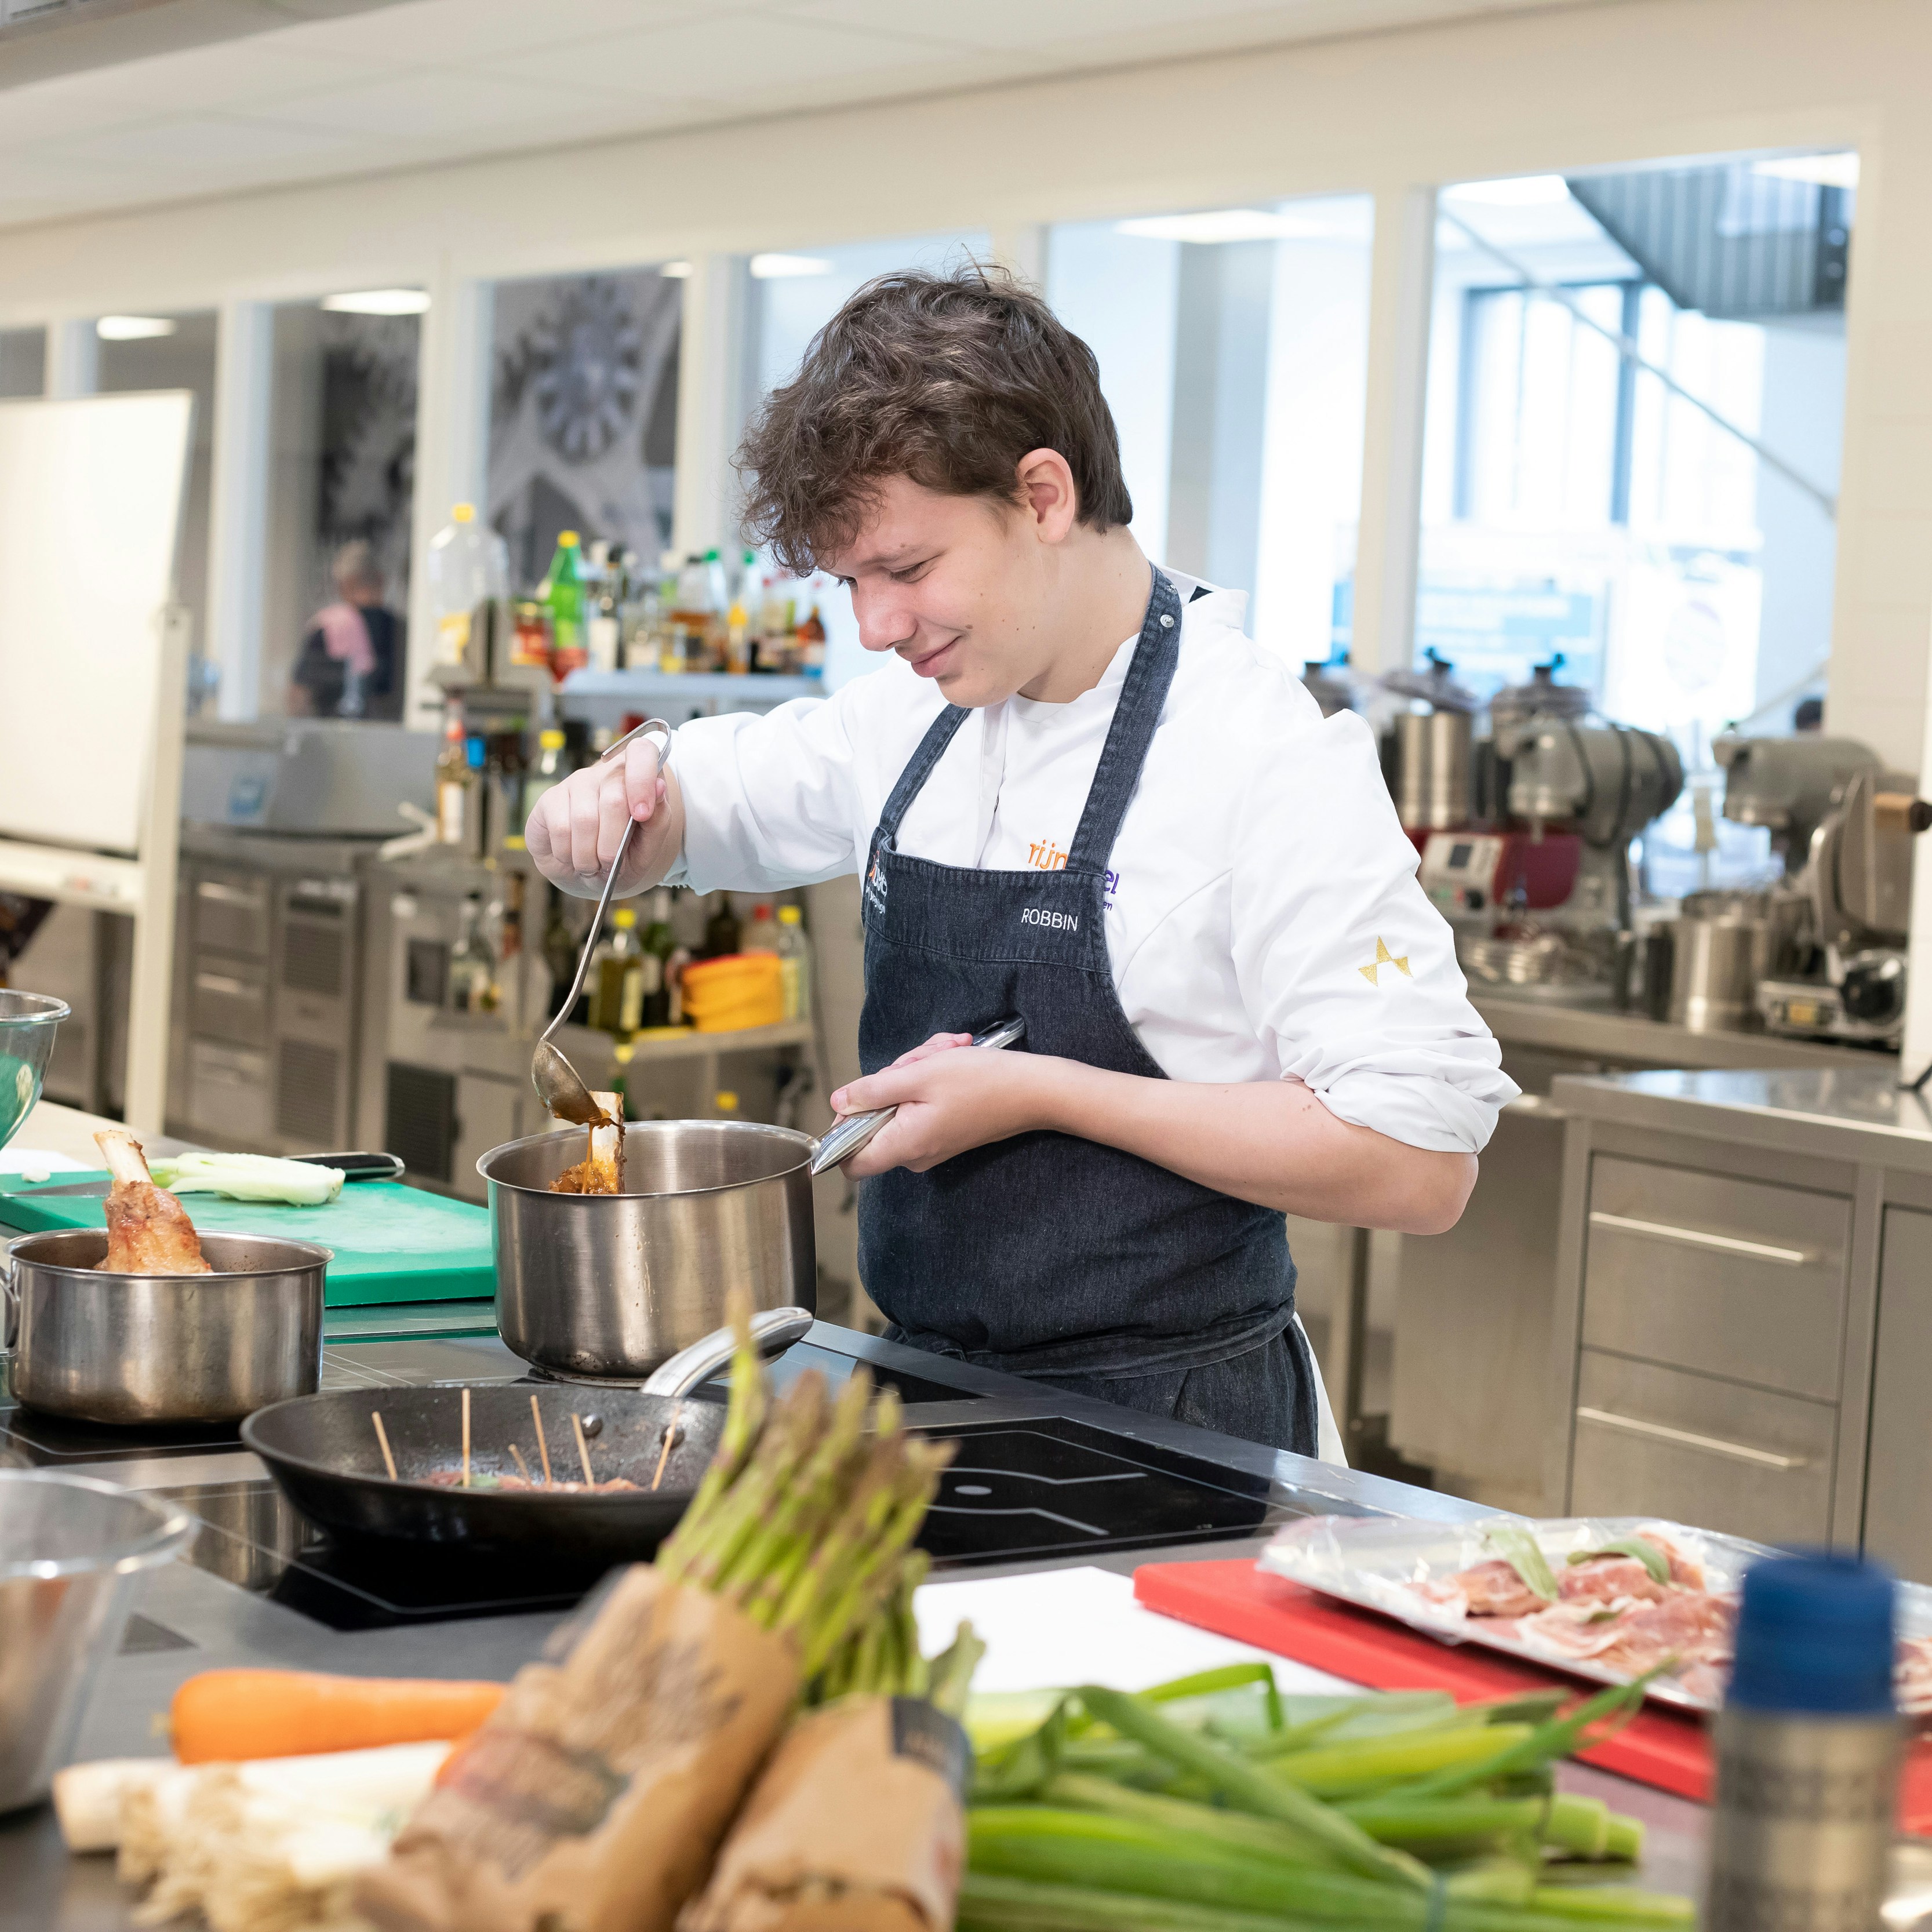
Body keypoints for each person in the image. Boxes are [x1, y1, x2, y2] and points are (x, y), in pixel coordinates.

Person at [525, 265, 1518, 1456]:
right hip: (921, 1403)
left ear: (1041, 494)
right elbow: (690, 800)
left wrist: (1039, 1092)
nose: (875, 628)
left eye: (905, 569)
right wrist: (598, 811)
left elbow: (1419, 1161)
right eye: (851, 583)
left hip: (1176, 1436)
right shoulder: (914, 717)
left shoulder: (1258, 753)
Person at [290, 539, 403, 721]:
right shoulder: (405, 632)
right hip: (395, 738)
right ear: (382, 580)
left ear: (344, 585)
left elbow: (299, 695)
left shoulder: (328, 628)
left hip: (333, 737)